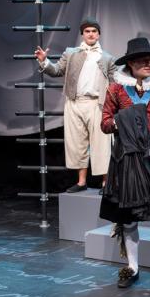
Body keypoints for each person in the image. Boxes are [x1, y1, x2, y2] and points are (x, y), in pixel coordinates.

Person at [99, 37, 150, 297]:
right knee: (128, 221)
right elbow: (104, 123)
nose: (149, 63)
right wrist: (120, 122)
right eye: (143, 60)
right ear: (131, 64)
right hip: (126, 159)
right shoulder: (115, 90)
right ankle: (132, 268)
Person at [35, 18, 117, 192]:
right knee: (78, 143)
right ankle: (81, 182)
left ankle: (105, 183)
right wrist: (44, 61)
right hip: (75, 102)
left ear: (99, 34)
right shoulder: (71, 53)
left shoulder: (108, 58)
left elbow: (115, 83)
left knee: (101, 144)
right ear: (82, 34)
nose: (91, 34)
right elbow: (57, 71)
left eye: (94, 31)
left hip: (97, 104)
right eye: (87, 31)